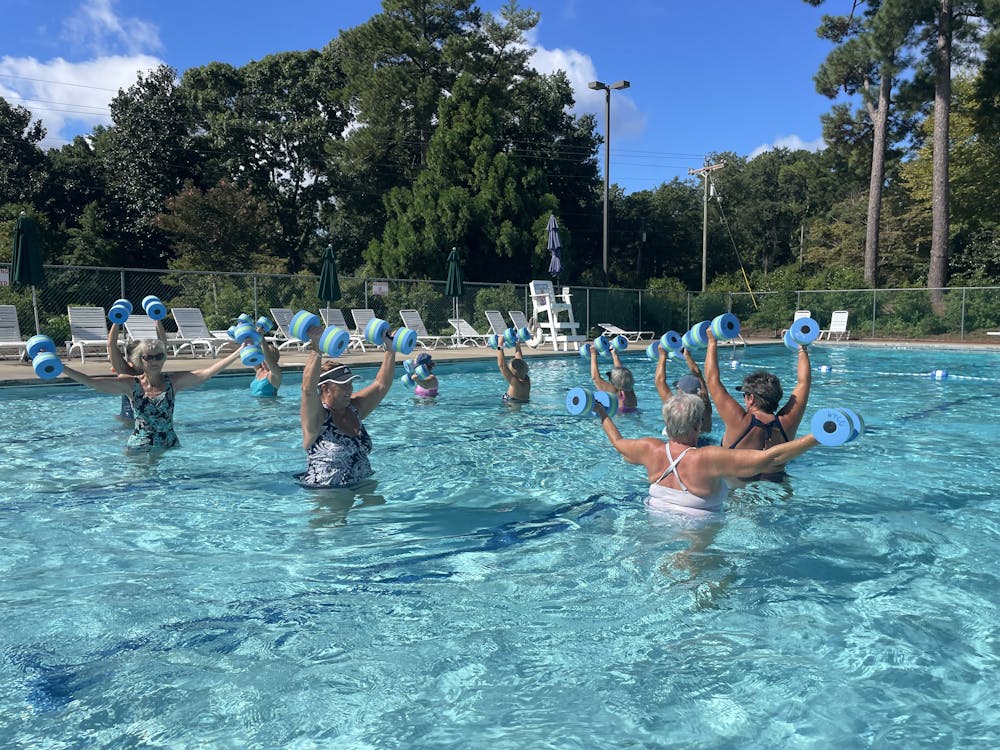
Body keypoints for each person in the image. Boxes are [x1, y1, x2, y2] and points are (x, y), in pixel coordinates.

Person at [595, 392, 824, 517]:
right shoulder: (708, 458)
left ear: (667, 422)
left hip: (654, 520)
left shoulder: (649, 449)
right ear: (697, 427)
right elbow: (770, 458)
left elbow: (618, 443)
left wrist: (601, 412)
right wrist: (819, 436)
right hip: (699, 539)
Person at [62, 336, 247, 452]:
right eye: (149, 357)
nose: (155, 361)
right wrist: (61, 367)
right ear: (140, 360)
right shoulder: (130, 384)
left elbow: (207, 373)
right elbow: (93, 383)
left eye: (159, 356)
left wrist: (239, 351)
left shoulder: (172, 383)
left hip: (169, 444)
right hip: (139, 446)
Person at [703, 328, 810, 481]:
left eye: (745, 395)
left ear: (751, 398)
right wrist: (802, 347)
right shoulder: (788, 422)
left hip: (738, 492)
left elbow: (712, 380)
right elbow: (804, 383)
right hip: (777, 488)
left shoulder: (739, 421)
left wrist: (712, 341)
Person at [298, 322, 397, 488]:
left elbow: (381, 385)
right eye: (343, 384)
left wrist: (390, 348)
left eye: (350, 383)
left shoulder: (354, 408)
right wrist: (316, 348)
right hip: (329, 494)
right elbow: (307, 390)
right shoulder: (317, 419)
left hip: (364, 484)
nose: (349, 389)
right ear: (325, 388)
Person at [655, 345, 712, 435]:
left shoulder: (675, 406)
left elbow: (659, 382)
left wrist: (662, 356)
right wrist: (687, 356)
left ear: (680, 391)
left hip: (680, 446)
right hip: (705, 443)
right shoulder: (705, 407)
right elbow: (699, 376)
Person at [591, 345, 638, 412]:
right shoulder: (630, 389)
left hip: (619, 418)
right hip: (635, 414)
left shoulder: (613, 391)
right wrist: (614, 354)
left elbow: (595, 378)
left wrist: (593, 354)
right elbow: (621, 373)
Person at [496, 338, 530, 403]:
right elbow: (519, 361)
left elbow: (502, 365)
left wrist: (500, 345)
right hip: (523, 401)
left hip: (512, 405)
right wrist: (517, 344)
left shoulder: (514, 382)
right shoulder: (526, 379)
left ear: (512, 372)